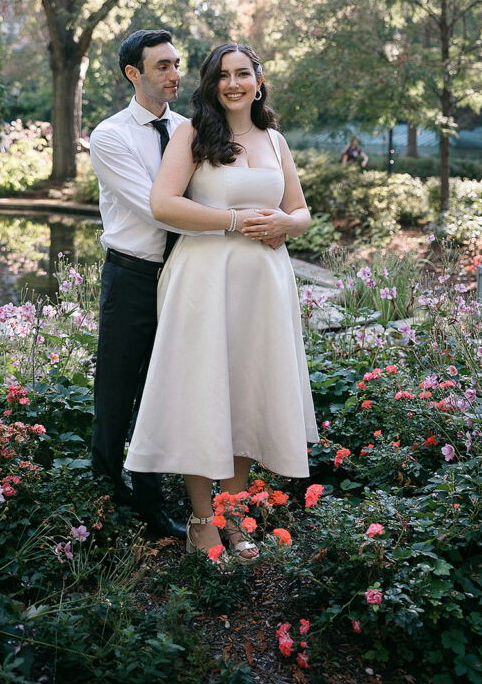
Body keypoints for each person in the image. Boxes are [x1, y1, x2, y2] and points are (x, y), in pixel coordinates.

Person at [125, 42, 319, 560]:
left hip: (263, 287)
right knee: (203, 392)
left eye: (243, 74)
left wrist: (284, 223)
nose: (234, 84)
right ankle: (202, 519)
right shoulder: (194, 133)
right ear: (210, 84)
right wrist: (235, 220)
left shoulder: (275, 140)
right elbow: (163, 204)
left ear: (259, 81)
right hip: (205, 279)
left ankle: (234, 518)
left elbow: (300, 211)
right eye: (223, 76)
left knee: (243, 395)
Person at [89, 28, 189, 538]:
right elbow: (158, 209)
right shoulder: (111, 136)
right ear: (134, 73)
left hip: (183, 277)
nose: (175, 75)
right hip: (131, 278)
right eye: (163, 66)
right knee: (116, 392)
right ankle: (103, 502)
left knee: (162, 393)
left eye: (176, 63)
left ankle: (151, 504)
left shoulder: (191, 129)